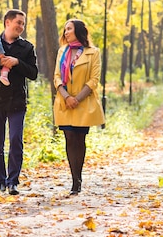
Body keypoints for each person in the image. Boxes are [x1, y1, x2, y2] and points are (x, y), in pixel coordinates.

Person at [0, 9, 38, 195]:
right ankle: (0, 181)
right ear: (7, 22)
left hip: (17, 101)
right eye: (18, 22)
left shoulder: (27, 47)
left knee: (15, 140)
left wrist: (17, 62)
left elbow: (34, 73)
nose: (20, 26)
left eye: (23, 24)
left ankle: (13, 182)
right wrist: (1, 63)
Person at [53, 18, 105, 195]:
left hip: (84, 103)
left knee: (79, 140)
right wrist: (67, 97)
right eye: (65, 29)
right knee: (69, 139)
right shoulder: (62, 51)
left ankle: (79, 178)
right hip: (64, 102)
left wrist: (77, 98)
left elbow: (94, 80)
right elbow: (57, 77)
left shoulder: (93, 52)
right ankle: (73, 179)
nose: (66, 32)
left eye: (69, 29)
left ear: (79, 31)